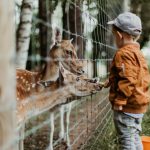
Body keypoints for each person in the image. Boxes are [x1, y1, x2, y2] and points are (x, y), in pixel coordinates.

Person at [101, 12, 150, 150]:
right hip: (138, 105)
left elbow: (128, 79)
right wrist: (110, 82)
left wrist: (120, 101)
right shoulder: (137, 53)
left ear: (119, 35)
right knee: (134, 137)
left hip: (126, 107)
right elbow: (131, 74)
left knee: (127, 140)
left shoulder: (123, 53)